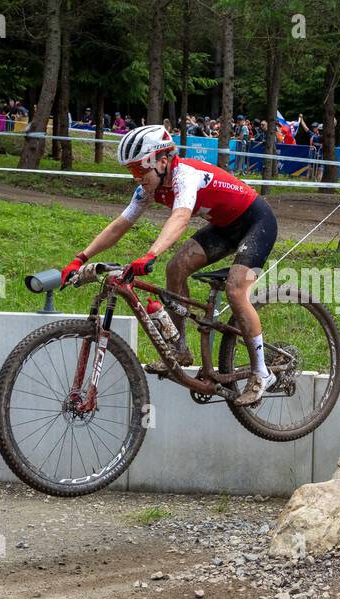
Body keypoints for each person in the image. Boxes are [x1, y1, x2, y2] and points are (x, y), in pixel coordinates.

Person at [60, 125, 279, 405]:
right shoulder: (150, 188)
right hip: (224, 227)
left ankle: (262, 373)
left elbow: (181, 218)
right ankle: (179, 349)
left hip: (257, 222)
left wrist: (150, 254)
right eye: (132, 172)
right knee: (175, 269)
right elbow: (120, 225)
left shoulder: (185, 175)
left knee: (236, 290)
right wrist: (81, 258)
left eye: (141, 171)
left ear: (163, 161)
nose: (138, 179)